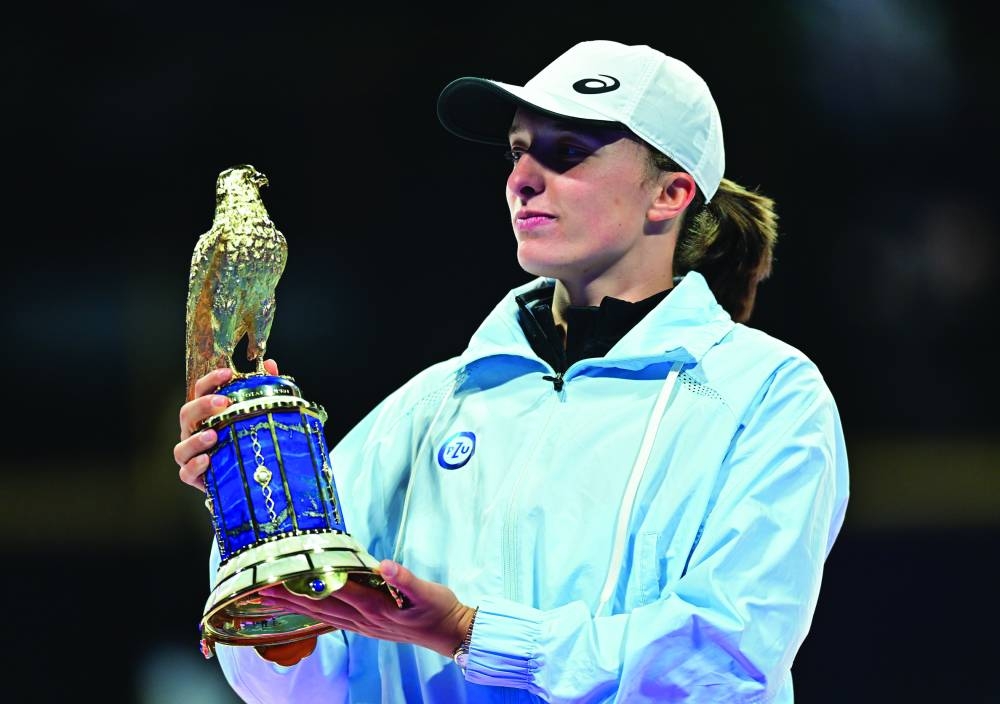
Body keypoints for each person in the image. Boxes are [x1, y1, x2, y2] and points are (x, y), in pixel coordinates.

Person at [174, 39, 849, 703]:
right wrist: (249, 507)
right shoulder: (425, 408)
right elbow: (300, 682)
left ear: (670, 193)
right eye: (519, 152)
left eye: (567, 154)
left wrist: (470, 633)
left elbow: (721, 660)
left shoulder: (764, 396)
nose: (524, 178)